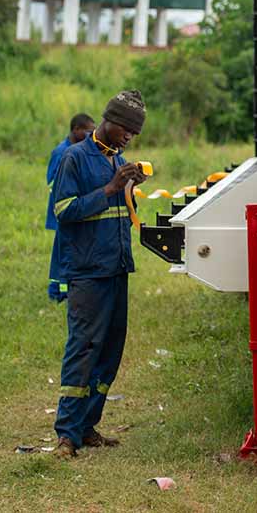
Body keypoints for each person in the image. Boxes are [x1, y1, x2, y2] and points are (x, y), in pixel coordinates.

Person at [50, 90, 148, 458]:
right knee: (83, 348)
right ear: (109, 120)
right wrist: (108, 189)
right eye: (126, 128)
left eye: (134, 134)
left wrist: (128, 188)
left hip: (117, 267)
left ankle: (88, 425)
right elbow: (64, 209)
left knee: (109, 351)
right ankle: (66, 434)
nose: (129, 137)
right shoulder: (74, 158)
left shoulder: (116, 160)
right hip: (88, 272)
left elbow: (119, 211)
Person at [46, 113, 95, 302]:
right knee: (62, 251)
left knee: (70, 250)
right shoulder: (62, 152)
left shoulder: (79, 150)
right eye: (88, 131)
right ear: (76, 130)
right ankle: (57, 291)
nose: (91, 135)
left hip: (75, 211)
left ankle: (69, 288)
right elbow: (53, 181)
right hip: (63, 211)